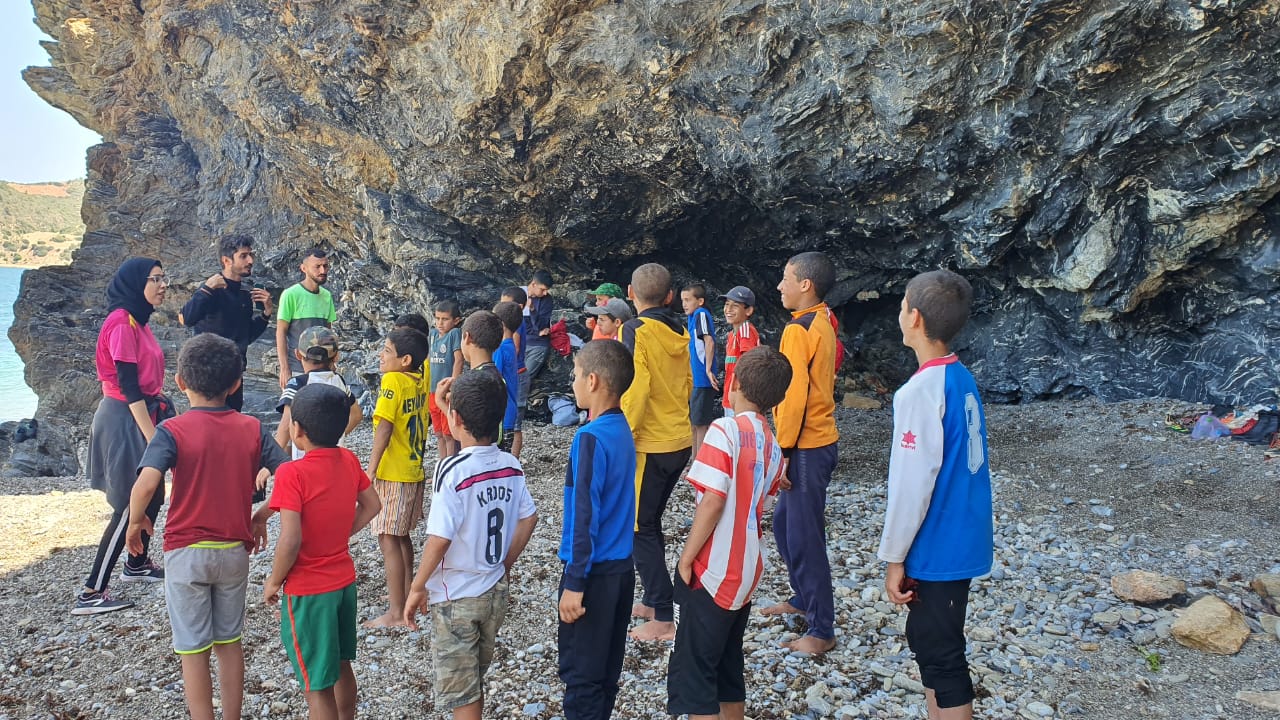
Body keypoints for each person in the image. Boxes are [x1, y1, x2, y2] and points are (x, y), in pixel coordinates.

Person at [123, 333, 290, 720]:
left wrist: (135, 521)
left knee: (193, 650)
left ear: (180, 382)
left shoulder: (172, 430)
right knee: (229, 642)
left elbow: (146, 483)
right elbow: (290, 476)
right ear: (235, 384)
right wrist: (263, 514)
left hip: (185, 554)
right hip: (234, 552)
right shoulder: (251, 428)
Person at [878, 270, 992, 720]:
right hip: (965, 531)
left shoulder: (920, 391)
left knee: (941, 652)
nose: (900, 313)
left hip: (939, 541)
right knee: (930, 642)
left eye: (902, 305)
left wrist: (894, 557)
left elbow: (912, 484)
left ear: (915, 318)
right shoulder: (959, 377)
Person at [404, 370, 538, 720]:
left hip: (457, 597)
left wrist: (417, 586)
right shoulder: (511, 465)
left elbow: (440, 538)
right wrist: (505, 564)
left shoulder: (452, 470)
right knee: (474, 678)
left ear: (456, 418)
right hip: (494, 591)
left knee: (463, 693)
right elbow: (529, 518)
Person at [668, 346, 791, 720]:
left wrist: (686, 558)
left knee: (696, 675)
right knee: (727, 666)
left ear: (733, 383)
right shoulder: (772, 444)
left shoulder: (724, 430)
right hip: (747, 568)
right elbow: (769, 491)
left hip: (714, 568)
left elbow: (713, 500)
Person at [257, 384, 383, 720]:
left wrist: (274, 581)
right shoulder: (347, 459)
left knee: (317, 684)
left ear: (297, 429)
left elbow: (290, 539)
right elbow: (373, 505)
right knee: (341, 663)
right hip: (343, 582)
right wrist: (341, 532)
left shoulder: (291, 472)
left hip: (308, 591)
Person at [74, 258, 173, 615]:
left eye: (163, 278)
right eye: (155, 279)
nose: (163, 285)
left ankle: (137, 563)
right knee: (131, 503)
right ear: (135, 283)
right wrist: (154, 437)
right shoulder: (121, 322)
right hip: (125, 418)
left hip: (142, 411)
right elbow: (129, 387)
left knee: (154, 493)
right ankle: (91, 591)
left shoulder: (138, 321)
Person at [760, 251, 841, 654]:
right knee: (783, 524)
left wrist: (784, 451)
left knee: (805, 537)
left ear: (805, 285)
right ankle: (803, 598)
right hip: (816, 442)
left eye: (786, 278)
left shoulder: (798, 329)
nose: (780, 286)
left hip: (806, 445)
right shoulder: (823, 319)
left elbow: (792, 396)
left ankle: (822, 628)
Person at [558, 340, 636, 720]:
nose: (572, 382)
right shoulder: (622, 428)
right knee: (606, 675)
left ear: (592, 381)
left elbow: (584, 515)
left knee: (582, 678)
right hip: (621, 572)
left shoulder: (589, 438)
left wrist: (575, 581)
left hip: (593, 574)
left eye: (575, 375)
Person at [619, 262, 692, 642]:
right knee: (649, 521)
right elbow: (688, 382)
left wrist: (623, 437)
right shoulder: (680, 330)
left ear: (630, 294)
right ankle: (652, 597)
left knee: (638, 527)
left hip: (649, 444)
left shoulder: (635, 330)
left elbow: (637, 388)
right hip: (679, 440)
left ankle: (664, 614)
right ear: (669, 296)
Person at [364, 328, 430, 628]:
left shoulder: (392, 381)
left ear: (405, 360)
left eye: (387, 351)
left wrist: (371, 469)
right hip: (413, 470)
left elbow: (385, 427)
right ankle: (403, 597)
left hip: (393, 472)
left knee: (387, 536)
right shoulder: (417, 379)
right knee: (401, 536)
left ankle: (395, 612)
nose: (381, 355)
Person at [180, 235, 275, 411]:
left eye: (251, 255)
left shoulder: (245, 293)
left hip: (234, 372)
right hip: (207, 373)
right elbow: (186, 318)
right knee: (207, 423)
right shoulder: (212, 289)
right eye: (243, 256)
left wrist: (266, 314)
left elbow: (245, 336)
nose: (250, 261)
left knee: (233, 422)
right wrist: (206, 289)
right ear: (226, 260)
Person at [274, 326, 362, 460]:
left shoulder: (297, 384)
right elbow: (356, 415)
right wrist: (336, 436)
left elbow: (285, 426)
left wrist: (270, 462)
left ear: (298, 354)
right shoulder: (339, 381)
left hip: (306, 462)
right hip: (334, 459)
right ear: (336, 357)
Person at [276, 248, 337, 388]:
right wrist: (284, 368)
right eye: (317, 266)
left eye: (325, 266)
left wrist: (331, 363)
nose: (323, 270)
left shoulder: (327, 296)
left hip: (323, 371)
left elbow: (328, 333)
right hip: (297, 369)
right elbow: (280, 332)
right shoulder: (290, 294)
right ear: (304, 268)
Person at [681, 282, 719, 458]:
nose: (684, 304)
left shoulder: (701, 314)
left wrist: (708, 370)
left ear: (700, 301)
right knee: (695, 422)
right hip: (696, 378)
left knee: (701, 424)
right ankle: (695, 460)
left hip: (702, 378)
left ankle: (701, 461)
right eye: (683, 300)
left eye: (688, 300)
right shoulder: (692, 316)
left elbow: (708, 341)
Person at [429, 300, 464, 459]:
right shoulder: (432, 335)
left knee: (449, 433)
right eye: (437, 318)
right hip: (432, 390)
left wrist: (453, 384)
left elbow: (459, 359)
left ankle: (450, 463)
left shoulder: (454, 334)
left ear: (456, 320)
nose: (440, 323)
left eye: (445, 319)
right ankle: (442, 464)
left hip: (446, 391)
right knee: (438, 433)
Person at [719, 286, 760, 418]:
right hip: (730, 398)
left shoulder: (745, 331)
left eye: (735, 305)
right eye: (727, 304)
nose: (728, 309)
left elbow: (748, 365)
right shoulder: (732, 334)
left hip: (740, 401)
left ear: (748, 310)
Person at [501, 286, 529, 458]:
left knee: (515, 424)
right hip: (518, 372)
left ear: (519, 307)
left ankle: (514, 460)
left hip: (517, 373)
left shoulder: (514, 324)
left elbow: (516, 347)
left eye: (506, 305)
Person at [492, 302, 523, 453]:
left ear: (501, 324)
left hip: (501, 417)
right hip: (509, 413)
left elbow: (492, 375)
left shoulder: (501, 349)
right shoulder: (510, 346)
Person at [522, 269, 554, 392]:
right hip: (519, 341)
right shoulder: (519, 294)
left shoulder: (547, 300)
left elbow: (541, 326)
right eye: (543, 289)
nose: (545, 293)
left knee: (524, 379)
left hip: (537, 345)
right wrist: (537, 331)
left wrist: (532, 310)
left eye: (547, 290)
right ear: (533, 284)